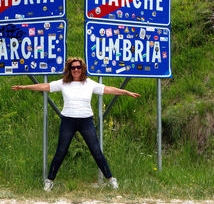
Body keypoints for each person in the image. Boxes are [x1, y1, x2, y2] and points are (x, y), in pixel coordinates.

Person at [11, 57, 141, 191]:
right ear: (69, 70)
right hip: (68, 120)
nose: (76, 70)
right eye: (73, 68)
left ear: (82, 68)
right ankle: (49, 181)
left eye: (78, 67)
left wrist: (126, 92)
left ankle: (111, 180)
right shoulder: (63, 83)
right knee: (61, 151)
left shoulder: (89, 83)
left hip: (86, 121)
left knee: (96, 151)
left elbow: (108, 89)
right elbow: (45, 86)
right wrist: (24, 87)